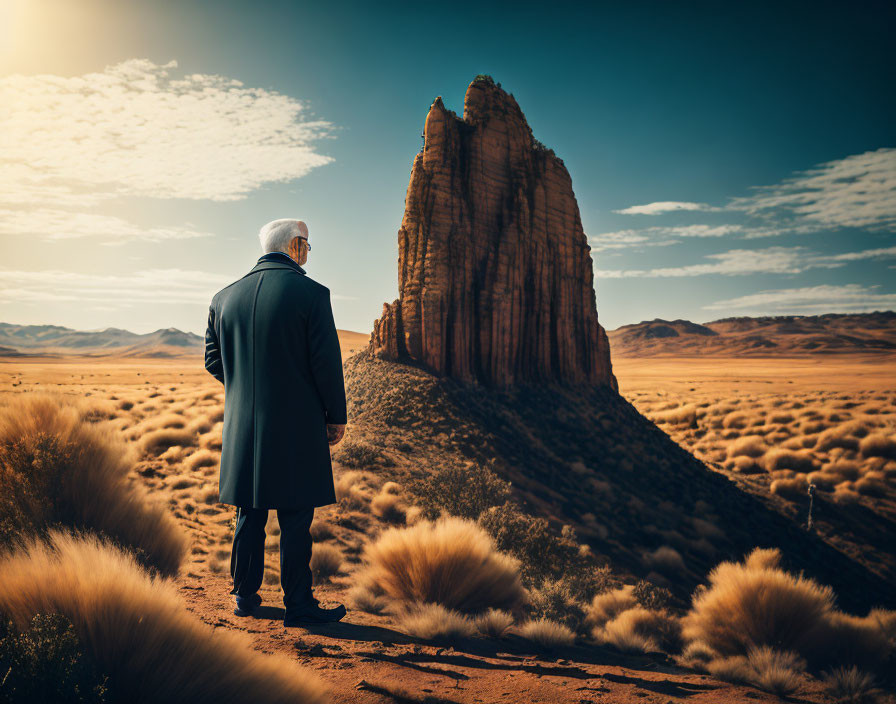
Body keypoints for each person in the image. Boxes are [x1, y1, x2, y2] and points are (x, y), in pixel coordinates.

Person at [204, 218, 348, 626]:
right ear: (294, 246)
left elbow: (214, 361)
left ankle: (244, 597)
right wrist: (335, 416)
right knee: (296, 516)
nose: (309, 252)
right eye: (307, 245)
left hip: (242, 429)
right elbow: (326, 364)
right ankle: (298, 605)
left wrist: (246, 390)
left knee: (249, 512)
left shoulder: (223, 297)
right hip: (297, 426)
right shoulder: (312, 294)